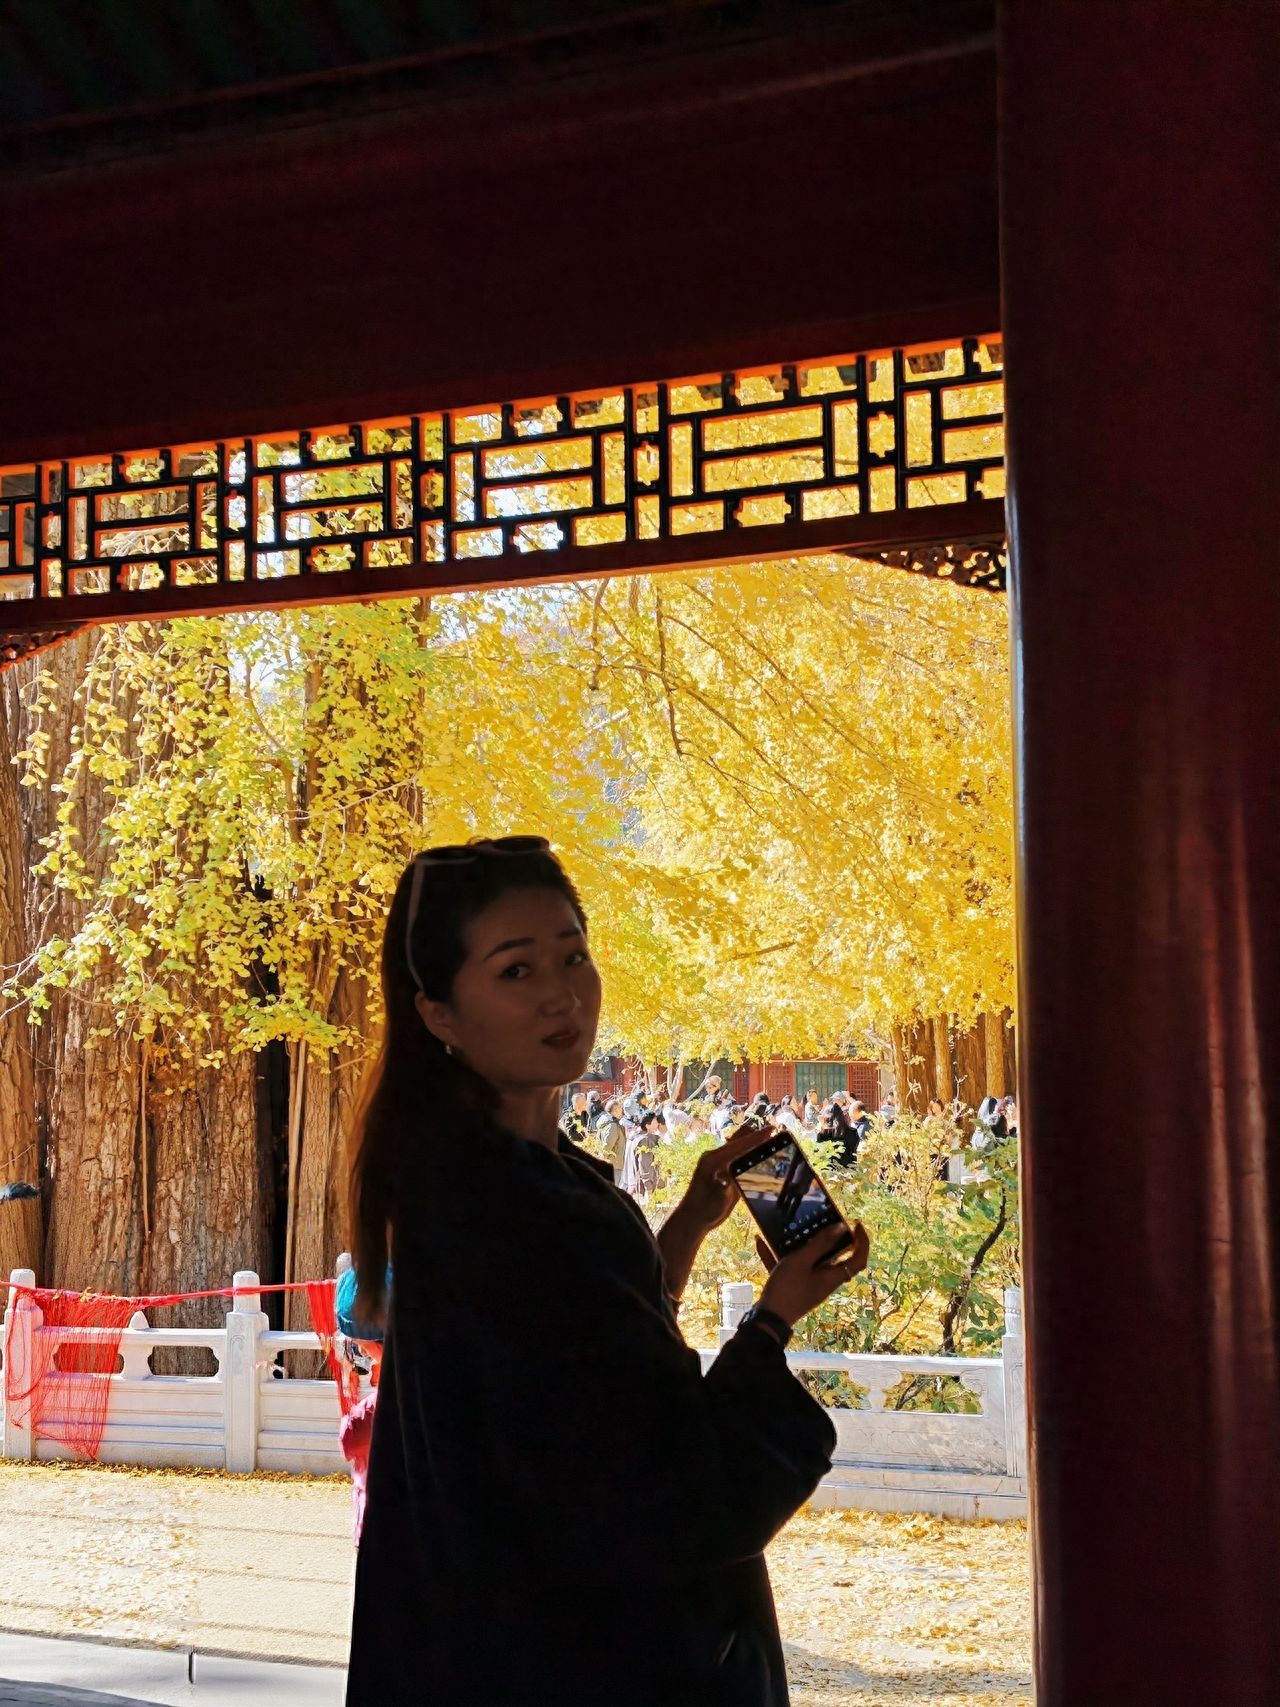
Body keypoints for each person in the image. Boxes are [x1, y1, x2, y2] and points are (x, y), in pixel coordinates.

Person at [346, 835, 868, 1706]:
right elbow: (645, 1490)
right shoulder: (493, 1206)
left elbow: (589, 1350)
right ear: (439, 1012)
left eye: (573, 955)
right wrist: (771, 1322)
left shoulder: (524, 1174)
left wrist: (687, 1225)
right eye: (515, 971)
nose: (562, 993)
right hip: (564, 1648)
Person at [594, 1097, 629, 1183]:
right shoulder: (612, 1125)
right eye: (620, 1108)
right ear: (615, 1110)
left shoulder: (604, 1122)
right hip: (614, 1163)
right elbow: (608, 1145)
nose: (622, 1110)